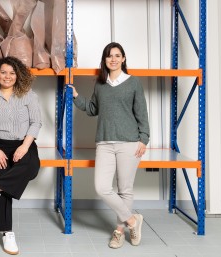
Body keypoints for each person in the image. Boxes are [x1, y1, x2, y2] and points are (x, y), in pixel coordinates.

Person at [68, 42, 150, 249]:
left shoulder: (133, 83)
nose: (113, 59)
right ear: (104, 60)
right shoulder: (100, 84)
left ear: (123, 58)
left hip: (130, 142)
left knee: (125, 189)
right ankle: (133, 220)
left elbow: (142, 113)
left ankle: (119, 231)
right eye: (109, 56)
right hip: (104, 141)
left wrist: (144, 139)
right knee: (102, 187)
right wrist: (77, 97)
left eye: (117, 55)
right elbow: (94, 108)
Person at [0, 56, 42, 255]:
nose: (7, 76)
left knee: (31, 168)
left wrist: (24, 146)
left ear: (18, 75)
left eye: (12, 73)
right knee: (3, 187)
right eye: (3, 72)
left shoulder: (28, 95)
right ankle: (7, 233)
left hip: (23, 143)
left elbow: (36, 122)